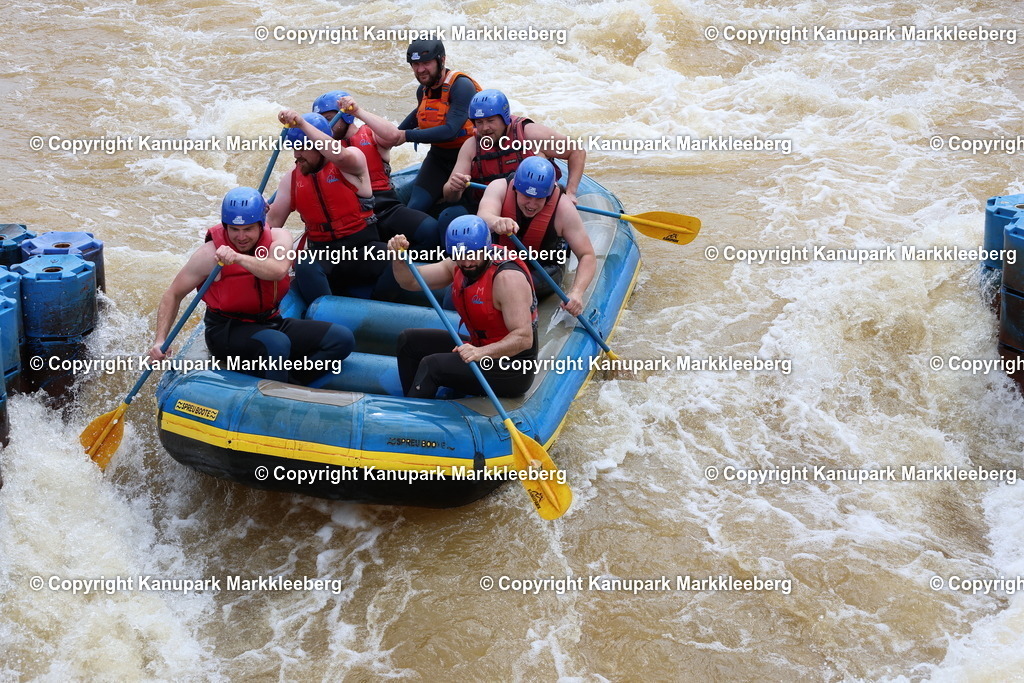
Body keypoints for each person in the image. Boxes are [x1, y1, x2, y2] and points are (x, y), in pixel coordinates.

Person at [149, 187, 354, 385]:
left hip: (271, 321)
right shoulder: (208, 255)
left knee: (341, 338)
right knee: (277, 343)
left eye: (248, 229)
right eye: (234, 229)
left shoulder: (279, 237)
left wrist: (238, 258)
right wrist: (160, 340)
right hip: (227, 331)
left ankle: (292, 382)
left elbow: (278, 269)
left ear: (261, 224)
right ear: (225, 226)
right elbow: (173, 294)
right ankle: (276, 398)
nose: (241, 237)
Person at [389, 215, 538, 399]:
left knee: (432, 365)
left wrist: (480, 353)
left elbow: (523, 338)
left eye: (473, 255)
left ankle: (411, 420)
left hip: (511, 367)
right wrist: (398, 258)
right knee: (408, 341)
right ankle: (412, 403)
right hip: (479, 346)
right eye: (461, 256)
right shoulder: (458, 263)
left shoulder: (507, 279)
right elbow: (411, 281)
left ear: (486, 247)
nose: (467, 262)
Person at [266, 110, 390, 302]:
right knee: (305, 263)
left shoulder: (351, 161)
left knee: (397, 260)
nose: (296, 155)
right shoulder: (291, 179)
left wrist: (301, 124)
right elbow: (272, 222)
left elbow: (339, 157)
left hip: (361, 248)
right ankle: (325, 317)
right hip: (324, 254)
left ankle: (378, 310)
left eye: (302, 147)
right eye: (293, 148)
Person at [349, 39, 481, 214]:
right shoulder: (423, 90)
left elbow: (450, 131)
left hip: (471, 158)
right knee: (415, 207)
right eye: (415, 64)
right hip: (439, 159)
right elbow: (406, 126)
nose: (420, 70)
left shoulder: (461, 86)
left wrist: (406, 136)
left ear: (442, 60)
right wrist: (384, 136)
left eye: (426, 63)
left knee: (458, 210)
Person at [311, 91, 442, 249]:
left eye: (329, 119)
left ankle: (409, 266)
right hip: (353, 220)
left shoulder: (370, 134)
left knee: (431, 230)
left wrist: (357, 111)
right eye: (321, 122)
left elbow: (394, 135)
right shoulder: (320, 151)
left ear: (346, 116)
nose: (326, 126)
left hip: (386, 208)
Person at [478, 156, 596, 316]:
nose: (532, 205)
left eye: (539, 198)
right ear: (516, 189)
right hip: (499, 262)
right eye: (527, 196)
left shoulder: (564, 208)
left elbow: (587, 255)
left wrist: (577, 292)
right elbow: (484, 216)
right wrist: (496, 221)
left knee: (510, 288)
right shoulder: (499, 187)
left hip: (543, 269)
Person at [442, 88, 587, 210]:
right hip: (491, 210)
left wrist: (571, 192)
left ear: (505, 119)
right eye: (479, 122)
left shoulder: (531, 134)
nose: (485, 128)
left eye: (491, 121)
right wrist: (455, 188)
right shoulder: (471, 146)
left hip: (533, 208)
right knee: (450, 215)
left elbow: (577, 151)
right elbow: (449, 195)